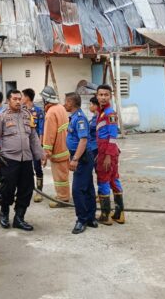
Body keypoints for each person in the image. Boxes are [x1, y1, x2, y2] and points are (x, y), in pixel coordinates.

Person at [0, 89, 45, 231]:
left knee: (26, 190)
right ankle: (4, 213)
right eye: (15, 99)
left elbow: (33, 137)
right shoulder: (1, 117)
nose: (18, 101)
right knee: (7, 189)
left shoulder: (27, 115)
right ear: (8, 101)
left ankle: (19, 218)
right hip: (9, 160)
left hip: (26, 159)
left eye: (20, 99)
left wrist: (40, 155)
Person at [66, 95, 98, 235]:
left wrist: (75, 159)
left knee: (77, 190)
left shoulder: (79, 118)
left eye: (66, 101)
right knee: (88, 188)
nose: (64, 104)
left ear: (71, 103)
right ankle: (90, 217)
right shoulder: (74, 117)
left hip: (82, 157)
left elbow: (83, 140)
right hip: (80, 156)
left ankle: (82, 220)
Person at [95, 84, 125, 225]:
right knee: (114, 180)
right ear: (97, 96)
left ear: (110, 96)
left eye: (106, 95)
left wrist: (107, 156)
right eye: (100, 95)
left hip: (107, 153)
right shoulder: (101, 112)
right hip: (107, 152)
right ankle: (119, 214)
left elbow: (113, 136)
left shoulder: (109, 113)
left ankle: (105, 215)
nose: (103, 97)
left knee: (103, 181)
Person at [40, 85, 71, 208]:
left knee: (59, 177)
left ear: (46, 100)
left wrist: (46, 152)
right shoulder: (60, 108)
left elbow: (49, 135)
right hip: (65, 148)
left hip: (58, 151)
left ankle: (62, 198)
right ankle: (64, 195)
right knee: (63, 175)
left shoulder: (51, 113)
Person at [22, 88, 45, 203]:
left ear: (27, 97)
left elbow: (41, 129)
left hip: (34, 144)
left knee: (37, 167)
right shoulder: (21, 111)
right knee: (26, 168)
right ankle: (27, 190)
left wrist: (40, 146)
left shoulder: (38, 111)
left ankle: (39, 192)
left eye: (22, 96)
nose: (21, 98)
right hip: (23, 144)